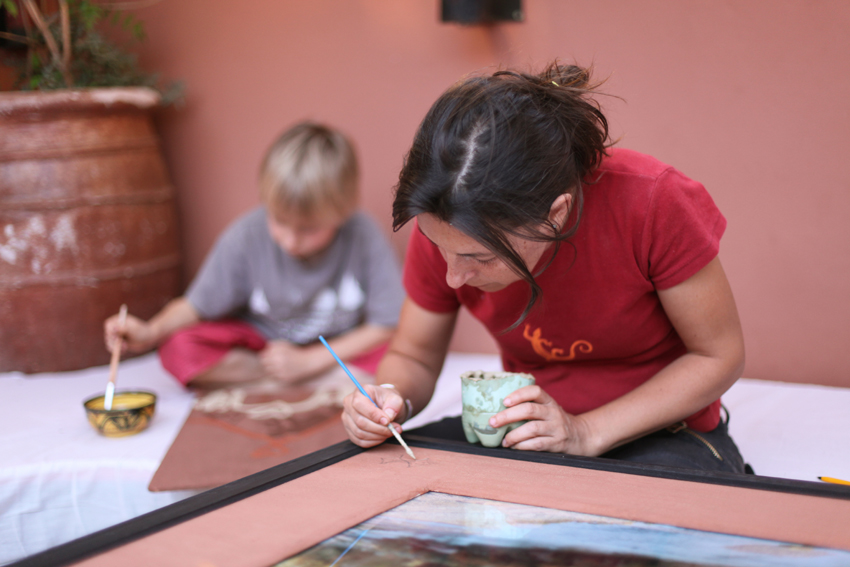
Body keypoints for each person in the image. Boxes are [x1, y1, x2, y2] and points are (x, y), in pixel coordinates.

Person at [342, 63, 749, 473]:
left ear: (556, 214)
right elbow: (414, 356)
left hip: (662, 430)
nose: (453, 276)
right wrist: (390, 399)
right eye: (438, 247)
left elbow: (718, 356)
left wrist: (584, 432)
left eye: (480, 258)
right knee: (382, 471)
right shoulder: (449, 227)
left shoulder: (652, 202)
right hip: (524, 429)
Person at [104, 122, 405, 389]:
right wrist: (151, 331)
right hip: (264, 350)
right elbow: (195, 306)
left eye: (308, 229)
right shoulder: (246, 234)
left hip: (335, 349)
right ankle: (314, 379)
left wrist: (310, 361)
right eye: (279, 221)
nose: (290, 241)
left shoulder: (363, 234)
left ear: (344, 212)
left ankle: (310, 376)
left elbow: (386, 324)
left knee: (404, 352)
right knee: (179, 346)